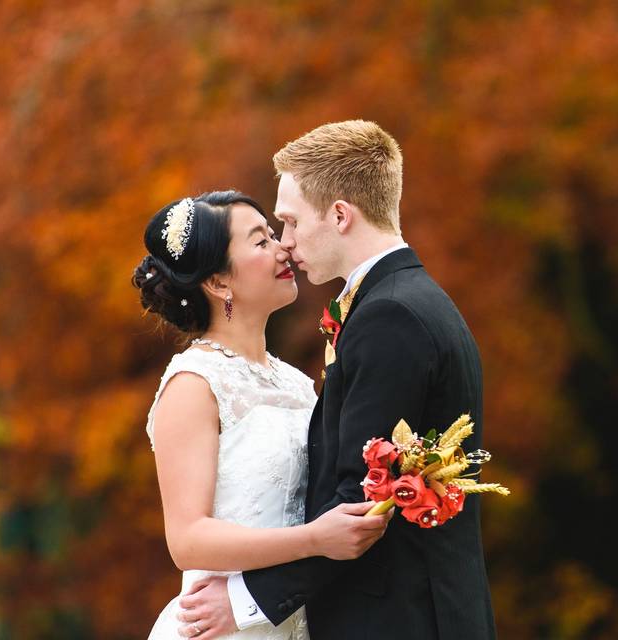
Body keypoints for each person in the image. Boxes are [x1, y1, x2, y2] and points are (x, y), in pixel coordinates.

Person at [176, 121, 497, 639]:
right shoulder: (407, 302)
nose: (286, 242)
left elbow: (361, 500)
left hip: (402, 619)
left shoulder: (391, 316)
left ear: (340, 216)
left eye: (291, 222)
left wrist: (248, 599)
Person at [133, 190, 392, 639]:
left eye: (274, 234)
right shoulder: (194, 384)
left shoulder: (295, 382)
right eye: (260, 241)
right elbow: (188, 538)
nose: (283, 248)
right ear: (217, 282)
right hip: (218, 624)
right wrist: (314, 539)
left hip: (296, 618)